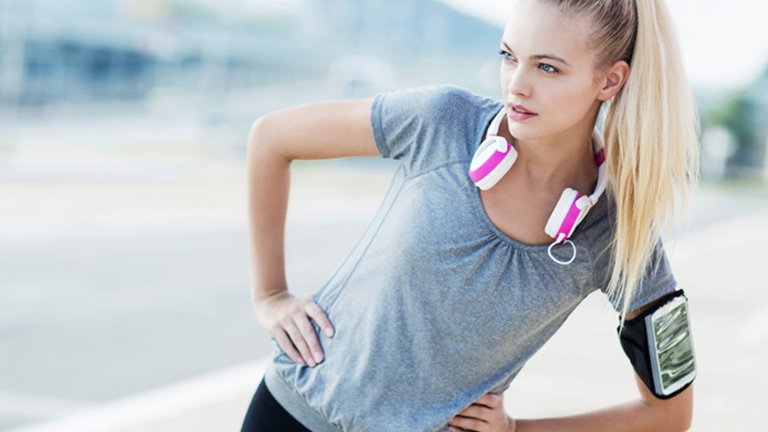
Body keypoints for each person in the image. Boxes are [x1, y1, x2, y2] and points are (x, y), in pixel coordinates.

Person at [241, 0, 700, 430]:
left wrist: (518, 429)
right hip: (288, 414)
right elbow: (271, 138)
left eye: (547, 67)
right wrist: (271, 295)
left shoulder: (617, 233)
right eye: (508, 56)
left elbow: (669, 415)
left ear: (609, 81)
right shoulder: (441, 121)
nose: (516, 84)